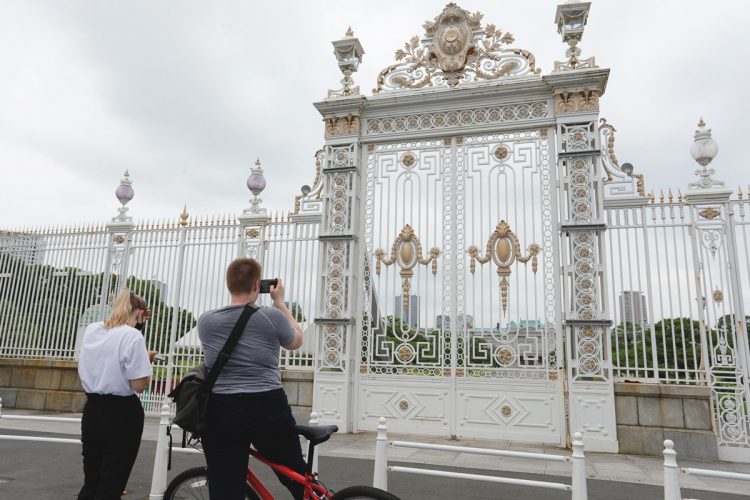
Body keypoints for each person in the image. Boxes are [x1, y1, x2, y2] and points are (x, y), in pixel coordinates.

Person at [199, 257, 304, 500]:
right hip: (266, 406)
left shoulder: (206, 321)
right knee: (295, 473)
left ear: (228, 284)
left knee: (225, 485)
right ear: (258, 284)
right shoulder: (271, 317)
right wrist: (280, 302)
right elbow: (296, 341)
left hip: (222, 409)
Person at [77, 288, 156, 500]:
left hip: (92, 410)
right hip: (122, 414)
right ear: (140, 312)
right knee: (111, 484)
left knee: (92, 481)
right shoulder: (133, 337)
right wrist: (146, 360)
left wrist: (138, 325)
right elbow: (139, 384)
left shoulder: (93, 330)